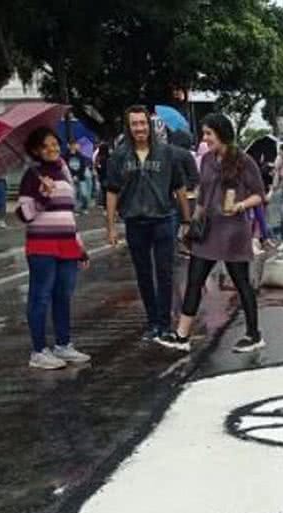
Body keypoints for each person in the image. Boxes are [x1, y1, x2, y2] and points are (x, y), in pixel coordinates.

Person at [156, 113, 266, 354]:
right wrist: (192, 223)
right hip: (208, 230)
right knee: (195, 280)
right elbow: (203, 196)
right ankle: (182, 335)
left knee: (241, 283)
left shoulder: (244, 161)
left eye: (209, 134)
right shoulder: (206, 160)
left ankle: (254, 334)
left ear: (222, 134)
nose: (205, 139)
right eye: (204, 134)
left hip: (233, 232)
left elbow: (259, 194)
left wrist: (240, 205)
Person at [105, 105, 190, 341]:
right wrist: (111, 227)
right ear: (129, 127)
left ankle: (165, 322)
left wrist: (187, 220)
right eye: (135, 124)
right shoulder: (119, 156)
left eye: (143, 123)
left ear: (149, 126)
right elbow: (111, 192)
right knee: (143, 275)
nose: (139, 128)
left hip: (163, 220)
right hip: (134, 222)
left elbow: (179, 187)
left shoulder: (166, 153)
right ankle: (152, 322)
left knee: (164, 273)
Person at [15, 127, 91, 370]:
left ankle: (63, 344)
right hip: (42, 245)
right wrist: (43, 197)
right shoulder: (32, 175)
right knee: (40, 296)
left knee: (63, 296)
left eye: (55, 144)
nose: (52, 149)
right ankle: (38, 351)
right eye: (45, 146)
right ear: (36, 150)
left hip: (67, 244)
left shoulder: (64, 170)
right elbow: (23, 214)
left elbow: (69, 214)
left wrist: (80, 246)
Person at [65, 140, 93, 216]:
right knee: (74, 194)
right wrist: (72, 175)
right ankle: (76, 210)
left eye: (74, 144)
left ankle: (84, 208)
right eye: (72, 145)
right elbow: (66, 167)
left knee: (84, 194)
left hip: (81, 177)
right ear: (69, 146)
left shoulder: (80, 155)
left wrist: (77, 175)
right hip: (71, 178)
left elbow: (83, 166)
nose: (73, 146)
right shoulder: (66, 156)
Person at [93, 141, 111, 209]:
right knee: (108, 192)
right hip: (109, 177)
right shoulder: (109, 157)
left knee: (104, 192)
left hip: (103, 177)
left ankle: (105, 205)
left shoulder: (100, 158)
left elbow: (99, 169)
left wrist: (97, 168)